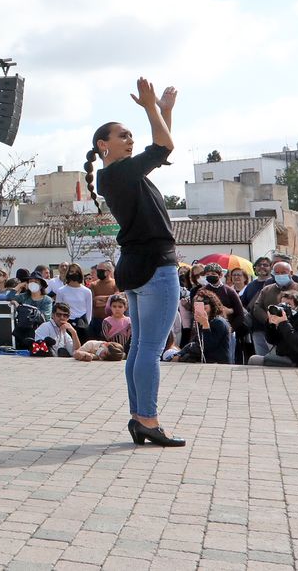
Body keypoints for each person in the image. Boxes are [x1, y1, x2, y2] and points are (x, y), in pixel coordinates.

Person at [85, 77, 185, 447]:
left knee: (141, 347)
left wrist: (164, 112)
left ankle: (140, 417)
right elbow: (163, 145)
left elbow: (161, 149)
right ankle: (147, 418)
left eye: (131, 134)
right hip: (155, 265)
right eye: (123, 135)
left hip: (136, 264)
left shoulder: (118, 174)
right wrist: (150, 109)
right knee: (148, 350)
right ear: (103, 145)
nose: (130, 139)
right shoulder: (120, 173)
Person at [249, 290, 298, 368]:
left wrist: (284, 323)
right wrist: (271, 325)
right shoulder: (290, 319)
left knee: (255, 360)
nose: (284, 307)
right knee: (255, 359)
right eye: (282, 304)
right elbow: (272, 340)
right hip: (289, 358)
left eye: (288, 304)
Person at [247, 262, 298, 356]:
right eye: (277, 273)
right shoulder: (267, 289)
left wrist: (286, 321)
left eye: (283, 272)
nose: (280, 275)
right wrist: (271, 320)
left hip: (293, 332)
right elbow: (257, 307)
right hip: (269, 332)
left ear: (291, 273)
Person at [56, 264, 95, 343]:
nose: (74, 273)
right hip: (66, 321)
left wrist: (87, 325)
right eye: (72, 271)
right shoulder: (61, 291)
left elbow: (89, 311)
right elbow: (58, 308)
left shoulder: (87, 291)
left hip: (82, 323)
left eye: (77, 272)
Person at [192, 289, 232, 364]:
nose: (202, 305)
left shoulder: (219, 322)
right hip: (205, 362)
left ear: (212, 304)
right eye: (198, 303)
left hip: (218, 365)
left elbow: (208, 346)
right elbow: (196, 342)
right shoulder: (200, 321)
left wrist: (205, 325)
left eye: (205, 302)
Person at [88, 262, 118, 338]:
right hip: (97, 321)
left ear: (108, 272)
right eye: (97, 270)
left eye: (100, 270)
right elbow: (94, 302)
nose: (98, 272)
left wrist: (100, 298)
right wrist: (110, 298)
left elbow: (117, 300)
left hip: (113, 320)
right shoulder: (93, 285)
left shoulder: (116, 283)